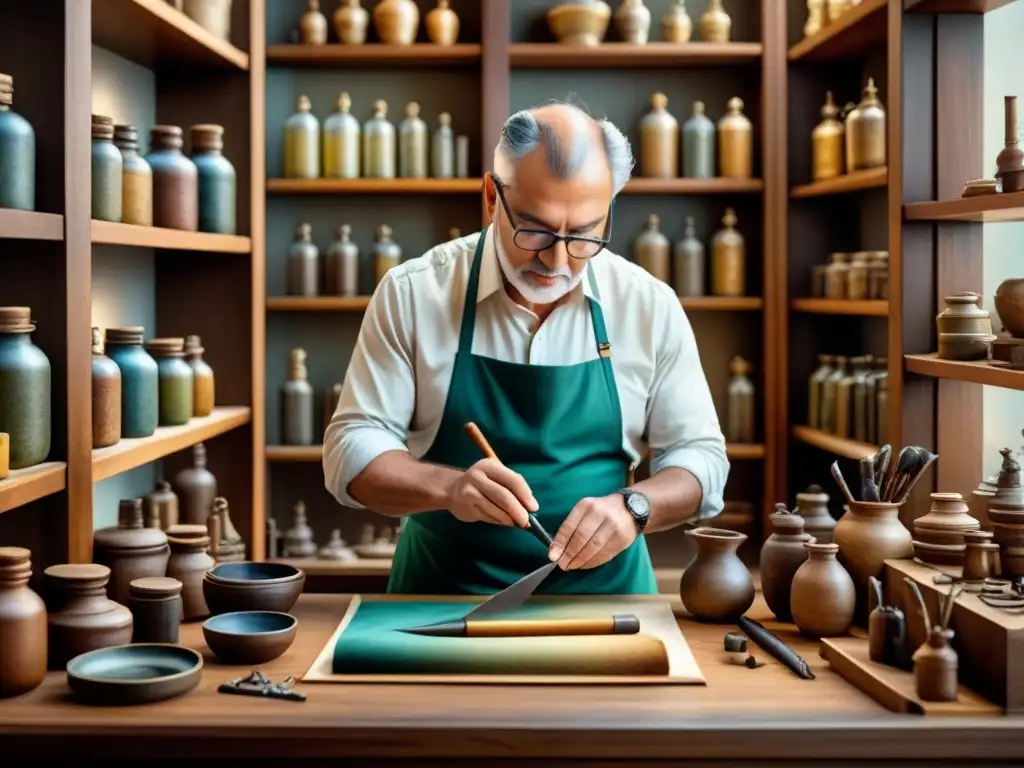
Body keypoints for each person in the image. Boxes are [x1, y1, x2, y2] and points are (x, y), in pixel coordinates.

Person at [323, 101, 729, 595]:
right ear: (493, 198)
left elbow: (701, 458)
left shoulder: (648, 304)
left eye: (583, 234)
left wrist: (636, 507)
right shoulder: (414, 293)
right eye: (534, 230)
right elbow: (350, 450)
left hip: (607, 607)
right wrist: (449, 489)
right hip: (440, 600)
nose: (557, 259)